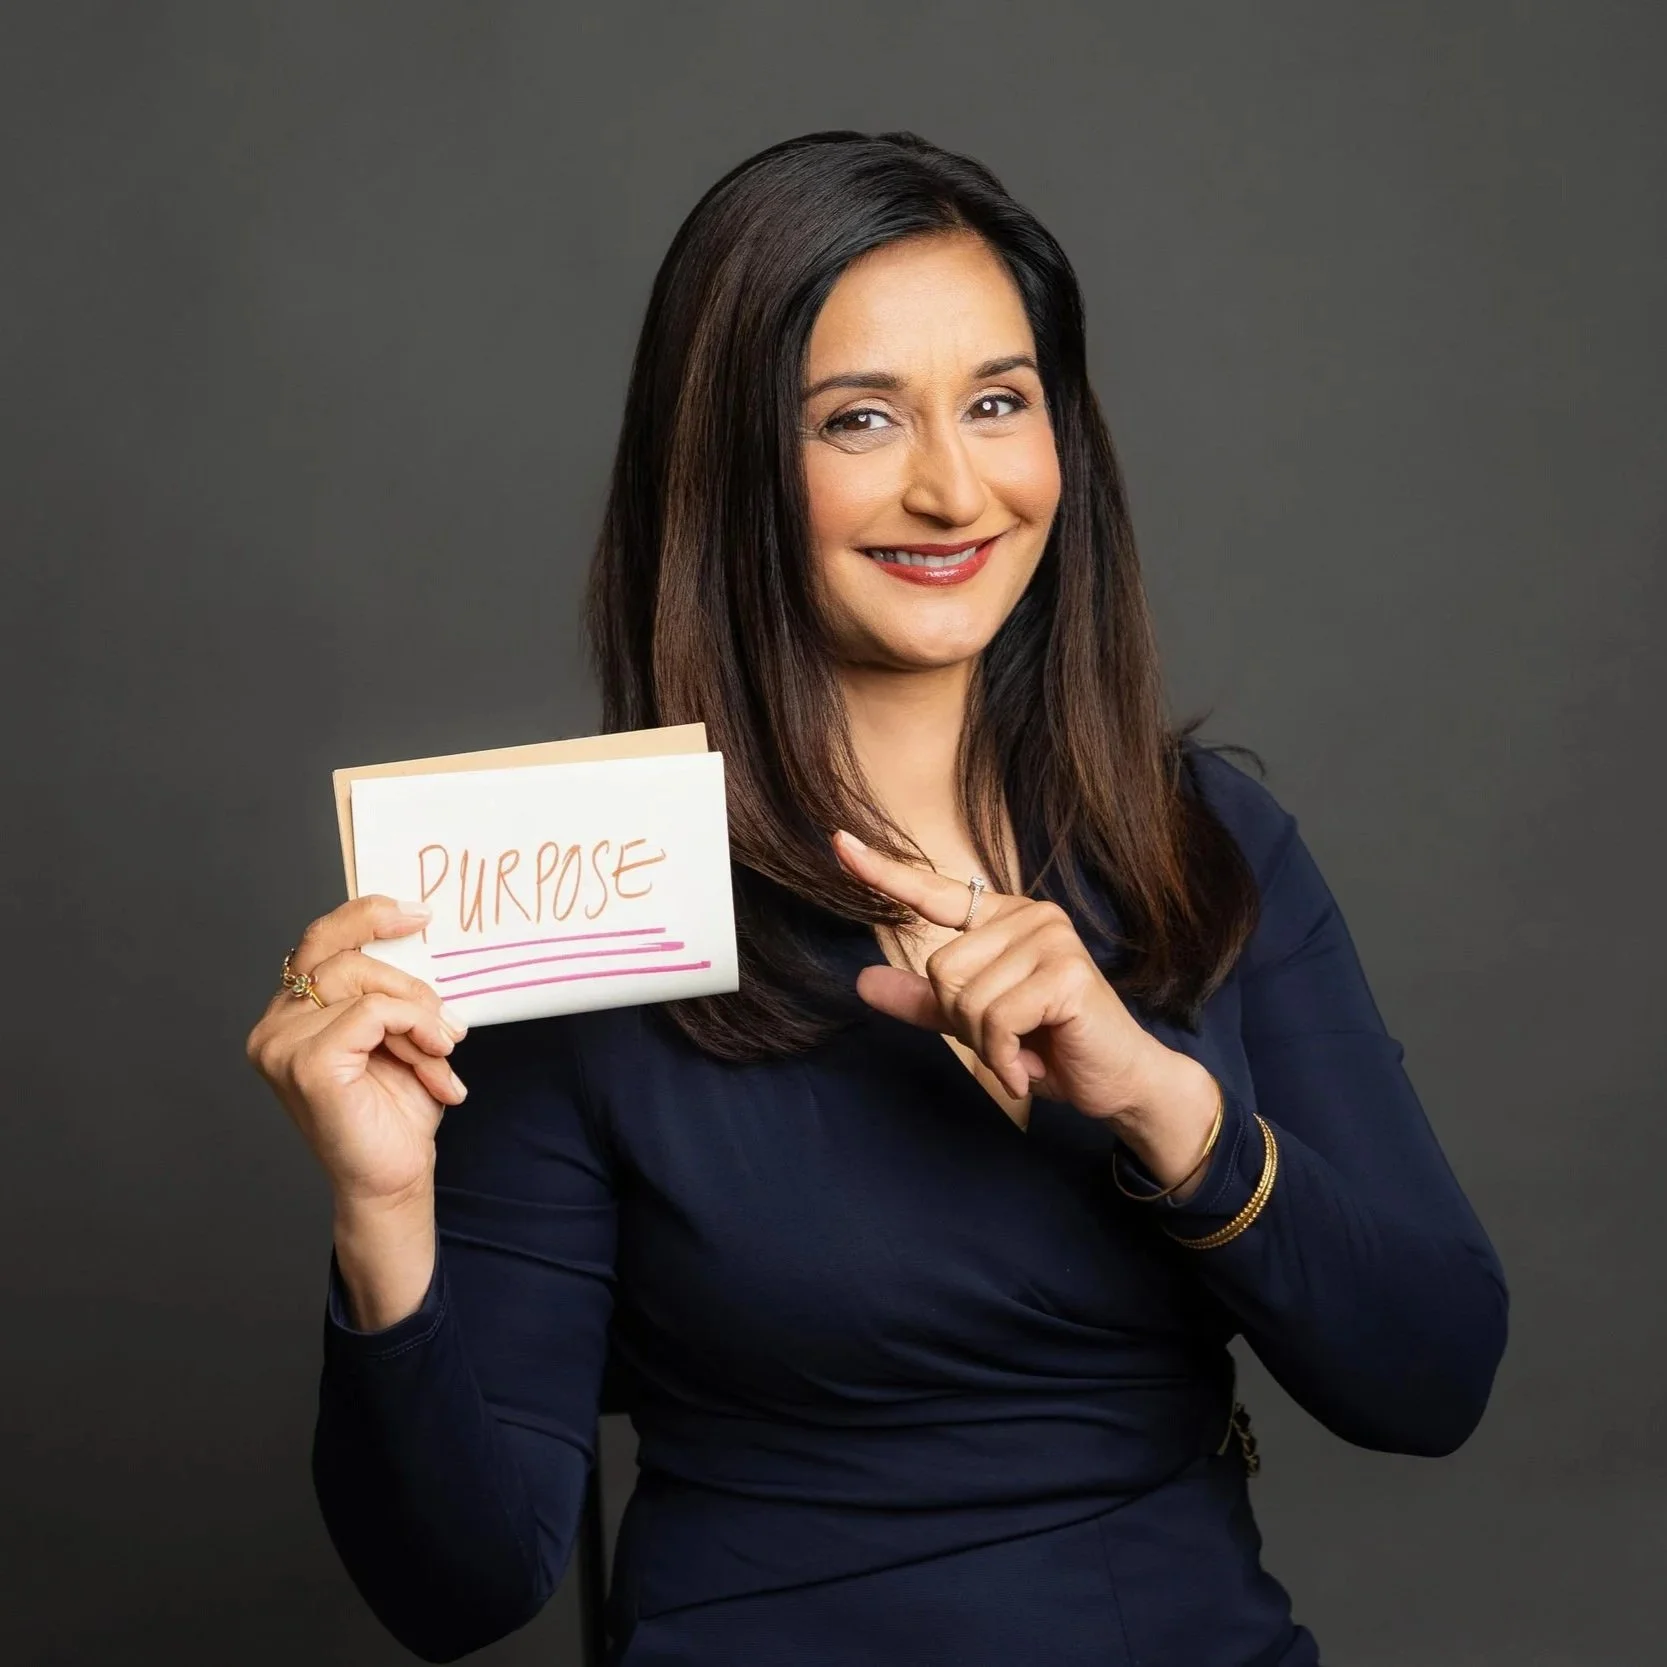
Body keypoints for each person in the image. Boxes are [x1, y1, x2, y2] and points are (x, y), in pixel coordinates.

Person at [246, 130, 1508, 1666]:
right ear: (728, 471)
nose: (950, 484)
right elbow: (461, 1588)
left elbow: (1432, 1378)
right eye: (858, 419)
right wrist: (384, 1217)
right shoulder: (578, 885)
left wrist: (1163, 1109)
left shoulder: (1199, 842)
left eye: (997, 402)